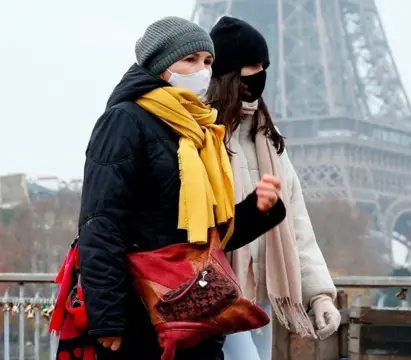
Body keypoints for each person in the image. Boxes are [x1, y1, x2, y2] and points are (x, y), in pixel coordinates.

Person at [75, 16, 286, 360]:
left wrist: (256, 210)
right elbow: (100, 224)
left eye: (207, 61)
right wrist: (109, 318)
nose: (202, 70)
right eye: (189, 60)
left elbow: (202, 239)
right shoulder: (125, 120)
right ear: (160, 66)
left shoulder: (199, 129)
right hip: (142, 315)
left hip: (195, 311)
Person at [206, 16, 341, 360]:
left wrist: (320, 294)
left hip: (266, 291)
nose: (260, 73)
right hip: (219, 291)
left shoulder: (268, 138)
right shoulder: (202, 136)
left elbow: (296, 222)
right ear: (229, 72)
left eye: (263, 66)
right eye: (251, 65)